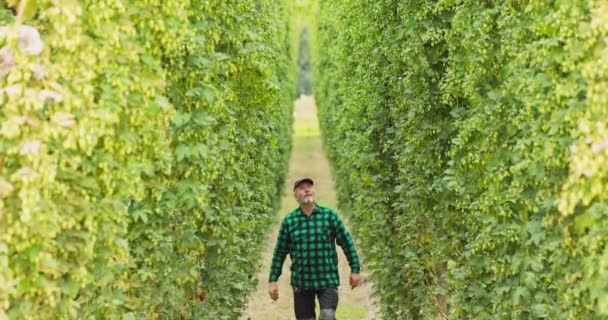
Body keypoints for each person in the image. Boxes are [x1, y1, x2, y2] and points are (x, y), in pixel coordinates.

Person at [268, 178, 362, 320]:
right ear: (295, 195)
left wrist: (355, 269)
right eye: (301, 188)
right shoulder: (289, 221)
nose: (306, 190)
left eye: (309, 187)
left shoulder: (329, 216)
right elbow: (280, 252)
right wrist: (273, 280)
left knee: (327, 316)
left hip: (327, 280)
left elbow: (346, 242)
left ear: (314, 191)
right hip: (302, 282)